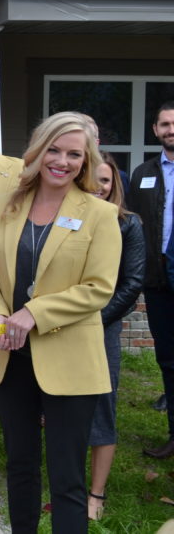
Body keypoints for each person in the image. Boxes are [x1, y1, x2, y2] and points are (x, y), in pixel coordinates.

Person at [0, 111, 121, 534]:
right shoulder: (2, 205)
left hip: (71, 362)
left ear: (85, 160)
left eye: (74, 154)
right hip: (9, 355)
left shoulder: (99, 214)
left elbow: (98, 288)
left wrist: (33, 313)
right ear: (37, 152)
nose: (62, 161)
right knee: (19, 468)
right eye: (53, 149)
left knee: (67, 478)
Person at [87, 151, 144, 520]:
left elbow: (132, 283)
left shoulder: (129, 223)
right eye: (91, 179)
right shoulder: (64, 220)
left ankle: (96, 495)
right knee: (66, 410)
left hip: (101, 329)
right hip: (62, 330)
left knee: (102, 407)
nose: (98, 186)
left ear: (115, 184)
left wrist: (95, 321)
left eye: (105, 180)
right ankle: (70, 485)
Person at [129, 101, 174, 458]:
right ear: (155, 130)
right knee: (168, 360)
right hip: (158, 281)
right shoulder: (142, 173)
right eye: (164, 124)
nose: (170, 129)